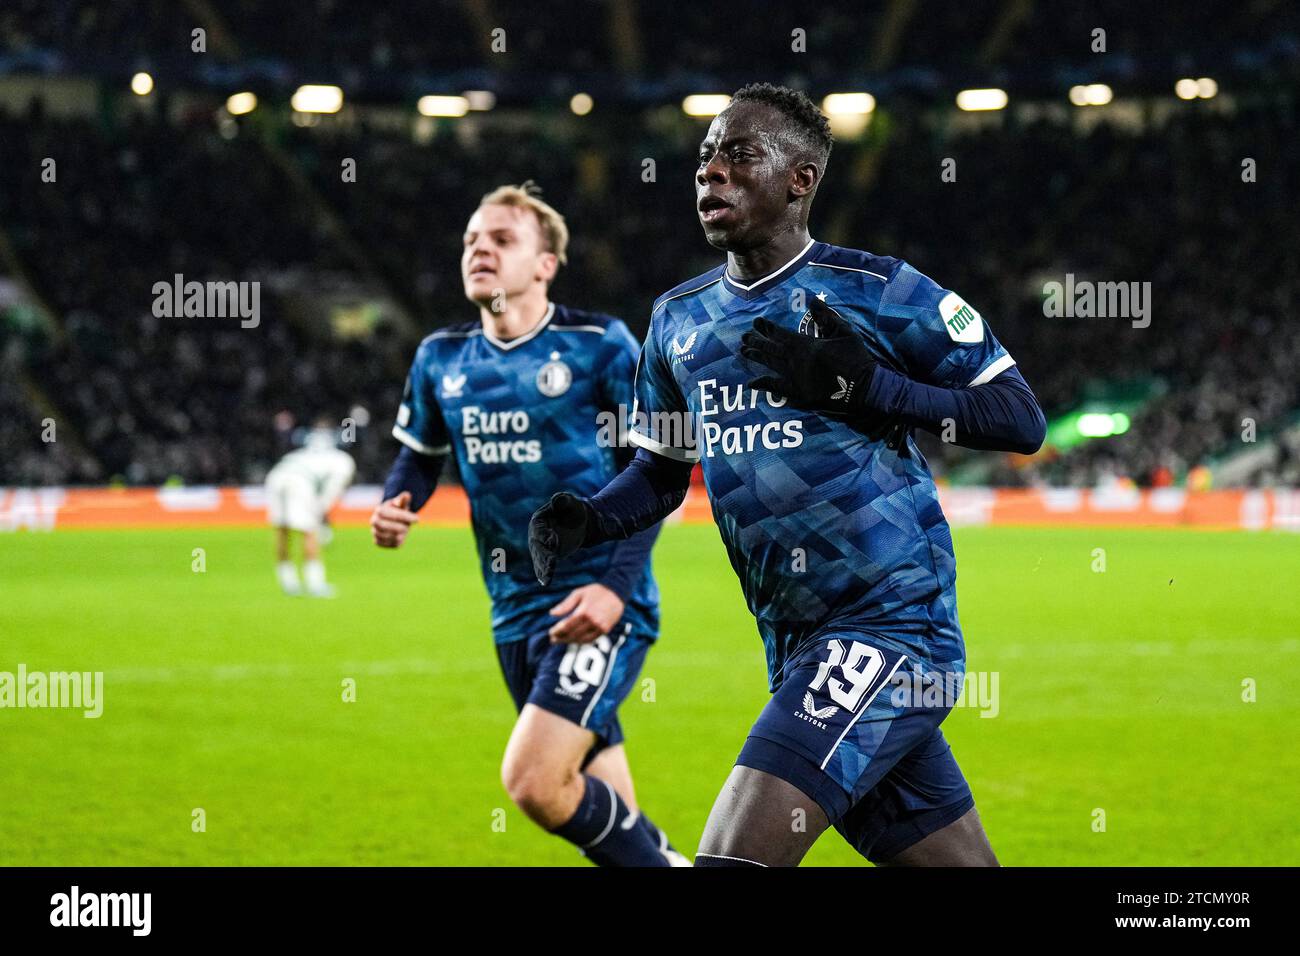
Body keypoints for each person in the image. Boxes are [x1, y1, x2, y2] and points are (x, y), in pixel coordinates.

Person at [529, 85, 1046, 866]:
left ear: (801, 180)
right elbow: (663, 471)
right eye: (705, 158)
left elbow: (1018, 418)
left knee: (731, 859)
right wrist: (594, 517)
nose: (711, 175)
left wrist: (871, 387)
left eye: (739, 157)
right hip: (797, 646)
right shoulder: (677, 319)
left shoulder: (879, 289)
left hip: (895, 631)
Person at [371, 183, 686, 866]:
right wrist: (401, 501)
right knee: (600, 803)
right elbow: (419, 457)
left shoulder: (600, 347)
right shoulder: (440, 358)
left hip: (596, 600)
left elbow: (656, 476)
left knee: (535, 781)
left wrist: (615, 590)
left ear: (546, 264)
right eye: (470, 240)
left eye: (502, 239)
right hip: (513, 611)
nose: (480, 248)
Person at [266, 420, 356, 597]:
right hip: (300, 481)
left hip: (277, 475)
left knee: (282, 530)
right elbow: (329, 496)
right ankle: (316, 584)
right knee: (309, 531)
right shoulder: (344, 462)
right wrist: (321, 519)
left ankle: (288, 582)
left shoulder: (305, 452)